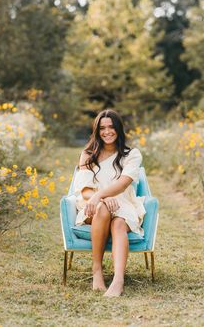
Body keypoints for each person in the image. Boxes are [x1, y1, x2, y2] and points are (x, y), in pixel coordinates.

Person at [74, 109, 146, 297]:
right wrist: (101, 198)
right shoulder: (87, 154)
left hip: (123, 204)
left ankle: (118, 280)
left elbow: (123, 183)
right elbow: (85, 189)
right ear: (97, 131)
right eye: (102, 128)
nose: (107, 132)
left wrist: (101, 197)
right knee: (103, 208)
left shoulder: (132, 154)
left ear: (119, 129)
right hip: (92, 205)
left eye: (111, 127)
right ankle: (97, 271)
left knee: (119, 222)